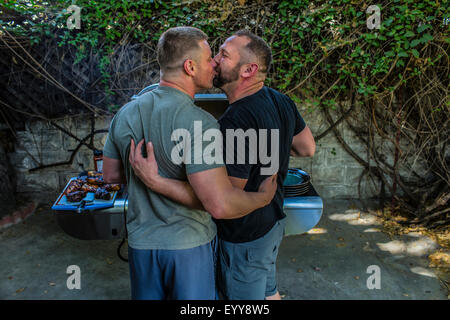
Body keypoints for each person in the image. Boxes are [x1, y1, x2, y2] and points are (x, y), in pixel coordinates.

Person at [129, 29, 315, 300]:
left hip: (243, 238)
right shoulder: (279, 100)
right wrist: (268, 153)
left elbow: (223, 202)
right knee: (268, 290)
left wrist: (157, 181)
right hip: (272, 225)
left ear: (248, 70)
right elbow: (306, 146)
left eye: (224, 55)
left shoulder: (237, 121)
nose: (215, 60)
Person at [102, 26, 277, 300]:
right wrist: (262, 199)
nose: (214, 65)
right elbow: (217, 204)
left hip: (141, 245)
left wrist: (150, 179)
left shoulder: (125, 113)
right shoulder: (200, 123)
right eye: (209, 59)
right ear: (190, 67)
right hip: (188, 248)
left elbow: (110, 176)